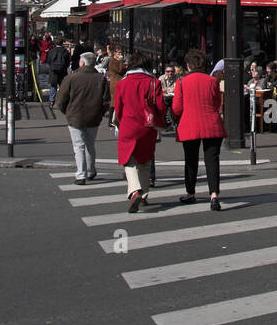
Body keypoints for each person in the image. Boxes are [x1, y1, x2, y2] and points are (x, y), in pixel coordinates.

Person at [172, 49, 226, 211]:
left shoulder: (181, 82)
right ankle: (214, 194)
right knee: (212, 160)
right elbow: (217, 103)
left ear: (188, 66)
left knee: (190, 160)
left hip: (190, 124)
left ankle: (190, 192)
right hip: (211, 123)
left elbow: (176, 108)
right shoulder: (212, 81)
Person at [114, 50, 166, 214]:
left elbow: (118, 108)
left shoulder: (122, 83)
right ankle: (143, 194)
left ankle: (135, 190)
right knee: (145, 161)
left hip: (128, 124)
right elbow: (161, 107)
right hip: (147, 126)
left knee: (128, 160)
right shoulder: (154, 82)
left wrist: (121, 122)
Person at [56, 52, 111, 184]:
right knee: (90, 145)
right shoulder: (100, 78)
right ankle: (91, 170)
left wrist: (67, 112)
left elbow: (61, 100)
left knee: (78, 145)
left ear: (82, 63)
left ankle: (81, 174)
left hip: (75, 116)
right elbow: (106, 101)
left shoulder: (71, 78)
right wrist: (100, 113)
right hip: (93, 116)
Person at [45, 37, 71, 106]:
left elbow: (49, 61)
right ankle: (62, 100)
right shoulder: (65, 51)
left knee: (53, 86)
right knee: (62, 86)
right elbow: (68, 61)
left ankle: (51, 100)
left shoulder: (51, 51)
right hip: (62, 70)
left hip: (53, 71)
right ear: (62, 43)